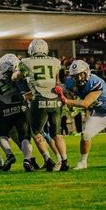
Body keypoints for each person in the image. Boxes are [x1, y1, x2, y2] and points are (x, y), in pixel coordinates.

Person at [16, 39, 67, 171]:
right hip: (55, 100)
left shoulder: (25, 62)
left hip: (39, 99)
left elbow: (17, 77)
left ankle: (48, 159)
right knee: (57, 133)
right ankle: (64, 160)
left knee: (36, 132)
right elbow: (57, 82)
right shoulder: (56, 62)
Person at [0, 63, 34, 171]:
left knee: (1, 135)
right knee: (24, 136)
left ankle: (9, 155)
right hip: (20, 107)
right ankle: (28, 160)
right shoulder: (11, 76)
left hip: (4, 110)